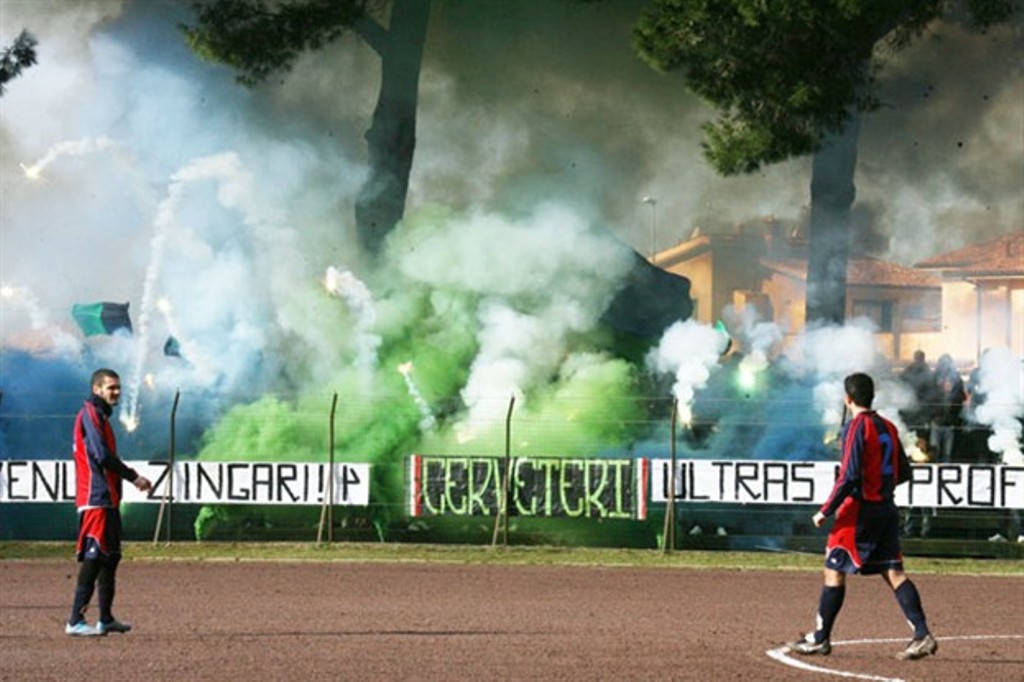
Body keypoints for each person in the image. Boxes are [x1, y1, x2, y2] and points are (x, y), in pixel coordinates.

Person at [782, 372, 937, 661]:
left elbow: (849, 475)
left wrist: (825, 510)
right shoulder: (889, 427)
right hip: (886, 509)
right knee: (893, 572)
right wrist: (881, 487)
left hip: (860, 511)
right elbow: (905, 471)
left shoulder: (856, 427)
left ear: (848, 399)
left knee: (833, 568)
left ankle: (820, 638)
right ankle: (922, 634)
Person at [65, 368, 151, 637]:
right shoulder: (90, 413)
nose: (116, 392)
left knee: (111, 557)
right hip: (95, 498)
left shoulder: (101, 416)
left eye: (117, 387)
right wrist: (134, 476)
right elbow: (101, 456)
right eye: (110, 387)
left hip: (108, 499)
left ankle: (105, 618)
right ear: (96, 389)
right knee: (95, 557)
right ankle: (75, 620)